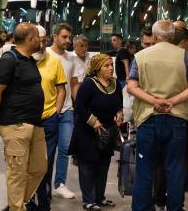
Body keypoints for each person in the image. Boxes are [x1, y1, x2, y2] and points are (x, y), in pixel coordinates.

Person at [127, 20, 188, 211]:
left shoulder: (140, 56)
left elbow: (131, 86)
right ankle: (175, 208)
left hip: (147, 118)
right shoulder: (185, 57)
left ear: (155, 35)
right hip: (176, 120)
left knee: (145, 170)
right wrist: (172, 102)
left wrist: (154, 101)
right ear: (172, 36)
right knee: (175, 170)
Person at [0, 23, 46, 211]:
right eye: (38, 36)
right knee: (17, 173)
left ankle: (17, 203)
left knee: (39, 168)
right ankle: (17, 207)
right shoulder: (9, 60)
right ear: (30, 39)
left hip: (35, 124)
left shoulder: (29, 60)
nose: (41, 40)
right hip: (15, 124)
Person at [70, 53, 123, 210]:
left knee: (103, 166)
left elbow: (119, 103)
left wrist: (119, 114)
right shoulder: (88, 84)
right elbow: (79, 105)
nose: (111, 68)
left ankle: (99, 197)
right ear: (97, 68)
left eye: (111, 65)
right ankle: (88, 200)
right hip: (88, 132)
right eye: (106, 66)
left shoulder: (115, 84)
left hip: (107, 132)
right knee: (87, 166)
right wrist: (93, 121)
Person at [29, 26, 68, 210]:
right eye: (39, 41)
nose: (43, 45)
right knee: (27, 164)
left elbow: (61, 89)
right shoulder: (21, 61)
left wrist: (57, 111)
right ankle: (28, 201)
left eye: (44, 41)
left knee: (46, 164)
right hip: (26, 120)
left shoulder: (54, 61)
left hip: (49, 120)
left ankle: (44, 203)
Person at [44, 23, 78, 200]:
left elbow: (73, 83)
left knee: (64, 149)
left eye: (69, 38)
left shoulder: (72, 58)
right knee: (47, 152)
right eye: (64, 37)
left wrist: (77, 104)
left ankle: (60, 184)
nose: (67, 40)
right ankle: (45, 184)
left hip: (67, 111)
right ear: (55, 36)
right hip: (48, 111)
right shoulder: (45, 54)